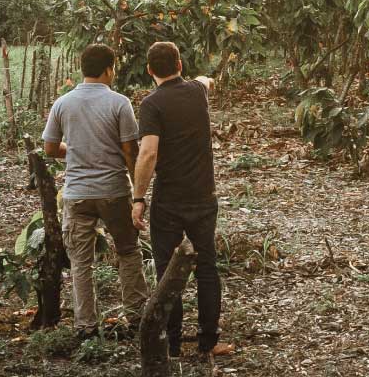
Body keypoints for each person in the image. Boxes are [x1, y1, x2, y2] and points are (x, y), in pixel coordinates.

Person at [129, 41, 233, 357]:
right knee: (207, 269)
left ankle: (171, 344)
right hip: (203, 195)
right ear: (180, 65)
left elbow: (148, 153)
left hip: (169, 200)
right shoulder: (197, 92)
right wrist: (205, 80)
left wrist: (138, 197)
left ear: (149, 70)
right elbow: (205, 81)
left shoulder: (152, 104)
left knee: (166, 270)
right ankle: (208, 342)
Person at [40, 43, 146, 331]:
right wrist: (139, 193)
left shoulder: (63, 103)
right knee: (128, 251)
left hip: (77, 195)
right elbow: (129, 151)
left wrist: (75, 149)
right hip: (113, 191)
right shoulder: (119, 103)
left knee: (80, 262)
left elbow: (49, 148)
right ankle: (136, 317)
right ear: (109, 69)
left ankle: (85, 325)